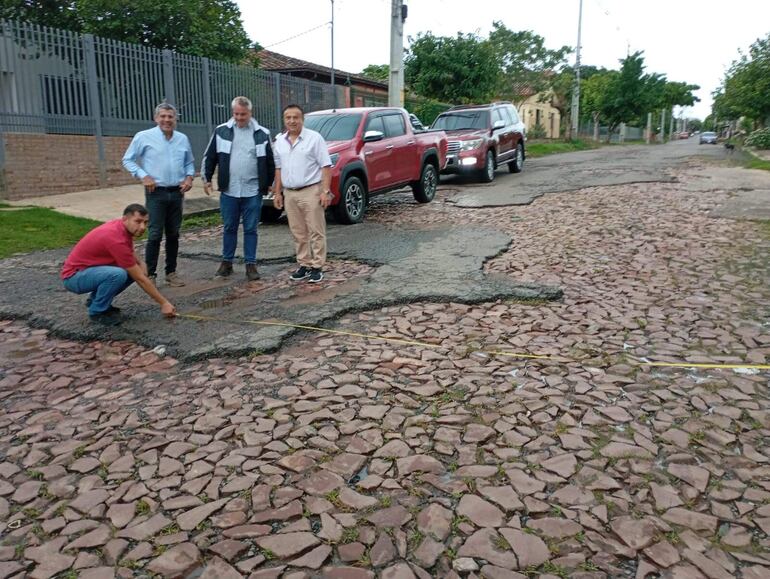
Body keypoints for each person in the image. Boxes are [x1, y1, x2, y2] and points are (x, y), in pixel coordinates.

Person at [61, 204, 177, 326]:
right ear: (125, 219)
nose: (143, 227)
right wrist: (164, 303)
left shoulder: (121, 227)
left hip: (90, 271)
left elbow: (129, 248)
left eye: (145, 222)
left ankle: (96, 301)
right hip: (73, 277)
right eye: (138, 221)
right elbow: (140, 278)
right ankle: (97, 312)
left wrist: (141, 262)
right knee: (118, 274)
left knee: (130, 271)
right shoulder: (114, 238)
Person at [202, 96, 276, 281]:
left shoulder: (261, 133)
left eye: (243, 114)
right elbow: (210, 156)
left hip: (252, 190)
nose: (240, 118)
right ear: (232, 112)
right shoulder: (221, 131)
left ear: (250, 113)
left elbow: (270, 160)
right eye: (236, 114)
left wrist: (271, 183)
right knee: (229, 227)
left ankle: (251, 264)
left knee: (251, 228)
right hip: (229, 189)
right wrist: (207, 178)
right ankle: (227, 262)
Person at [122, 103, 194, 287]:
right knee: (154, 233)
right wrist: (143, 175)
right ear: (156, 118)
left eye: (170, 117)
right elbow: (128, 159)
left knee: (173, 233)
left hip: (177, 192)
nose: (167, 120)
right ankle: (151, 274)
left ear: (175, 119)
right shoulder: (144, 137)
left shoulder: (182, 139)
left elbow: (189, 163)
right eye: (163, 116)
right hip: (156, 192)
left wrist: (189, 178)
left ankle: (171, 273)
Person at [272, 104, 333, 283]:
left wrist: (325, 191)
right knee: (298, 231)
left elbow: (325, 166)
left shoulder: (314, 139)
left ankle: (317, 266)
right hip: (290, 193)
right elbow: (278, 168)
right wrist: (277, 193)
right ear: (284, 120)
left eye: (295, 117)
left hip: (311, 191)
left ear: (302, 119)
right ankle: (304, 264)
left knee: (316, 230)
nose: (292, 121)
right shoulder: (279, 142)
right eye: (288, 118)